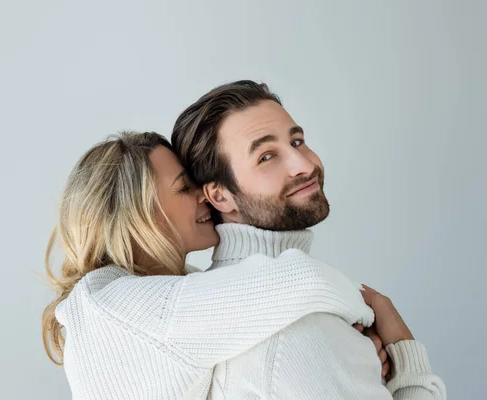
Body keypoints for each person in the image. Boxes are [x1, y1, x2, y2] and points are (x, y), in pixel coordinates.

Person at [42, 131, 376, 399]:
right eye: (184, 187)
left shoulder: (139, 305)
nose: (204, 195)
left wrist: (352, 352)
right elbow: (299, 281)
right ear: (137, 214)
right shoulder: (125, 310)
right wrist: (372, 313)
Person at [171, 80, 446, 399]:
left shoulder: (238, 304)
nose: (305, 165)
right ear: (219, 195)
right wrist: (407, 360)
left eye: (297, 141)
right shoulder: (299, 331)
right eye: (266, 156)